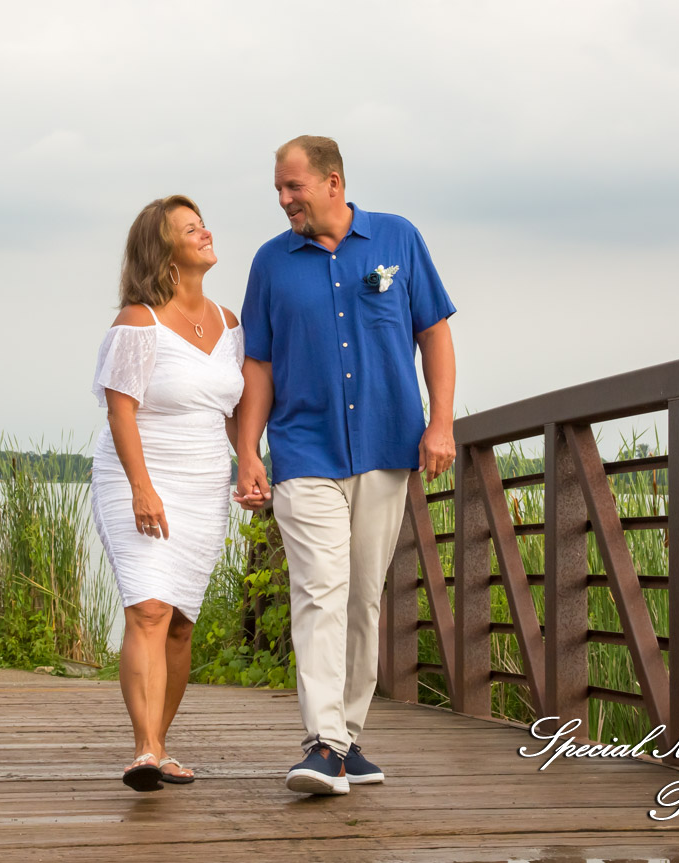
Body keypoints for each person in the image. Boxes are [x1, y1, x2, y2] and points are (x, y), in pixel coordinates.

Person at [235, 136, 457, 795]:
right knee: (320, 588)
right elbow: (260, 364)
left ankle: (348, 736)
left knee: (362, 595)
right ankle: (324, 741)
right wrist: (248, 450)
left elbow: (434, 332)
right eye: (278, 188)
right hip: (304, 449)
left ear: (333, 182)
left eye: (293, 187)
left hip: (388, 445)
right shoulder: (271, 264)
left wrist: (440, 421)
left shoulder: (398, 239)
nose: (283, 200)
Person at [89, 195, 244, 792]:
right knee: (148, 608)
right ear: (164, 250)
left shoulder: (230, 325)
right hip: (140, 478)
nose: (205, 232)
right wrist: (141, 487)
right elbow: (120, 409)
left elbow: (234, 413)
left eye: (203, 222)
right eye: (189, 228)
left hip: (205, 483)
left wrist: (250, 463)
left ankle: (161, 743)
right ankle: (146, 750)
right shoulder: (138, 321)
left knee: (180, 622)